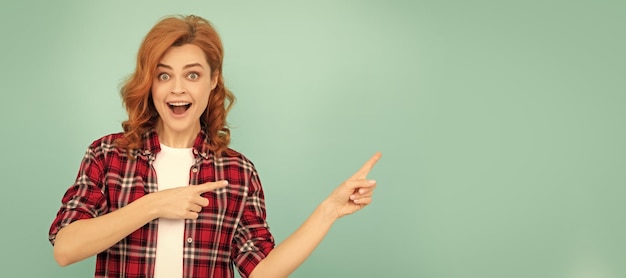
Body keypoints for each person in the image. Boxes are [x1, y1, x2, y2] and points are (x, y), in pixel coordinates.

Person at [49, 14, 381, 278]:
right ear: (150, 83)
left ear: (213, 80)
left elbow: (262, 271)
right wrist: (154, 205)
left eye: (192, 75)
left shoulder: (237, 172)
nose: (177, 89)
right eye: (164, 76)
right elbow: (65, 248)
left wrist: (329, 211)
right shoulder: (108, 155)